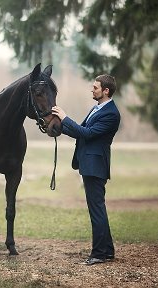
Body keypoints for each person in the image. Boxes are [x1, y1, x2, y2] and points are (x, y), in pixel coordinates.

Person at [52, 74, 120, 265]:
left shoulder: (111, 114)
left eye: (96, 87)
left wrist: (65, 117)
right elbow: (80, 131)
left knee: (96, 210)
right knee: (98, 208)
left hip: (95, 166)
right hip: (90, 165)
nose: (92, 89)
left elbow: (88, 134)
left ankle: (99, 253)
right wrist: (58, 126)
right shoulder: (98, 108)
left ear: (106, 91)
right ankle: (107, 251)